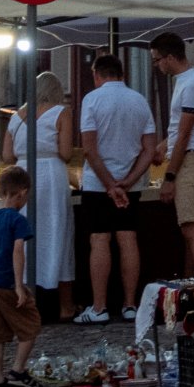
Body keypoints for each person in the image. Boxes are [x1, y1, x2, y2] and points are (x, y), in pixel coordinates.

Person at [75, 54, 156, 325]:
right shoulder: (139, 100)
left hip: (99, 183)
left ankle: (99, 307)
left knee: (99, 240)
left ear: (98, 75)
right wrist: (128, 182)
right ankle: (130, 304)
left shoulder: (92, 100)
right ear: (122, 74)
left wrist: (109, 185)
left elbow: (89, 147)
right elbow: (148, 149)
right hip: (130, 182)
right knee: (127, 239)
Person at [2, 72, 76, 320]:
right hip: (51, 175)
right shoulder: (61, 113)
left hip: (23, 174)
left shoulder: (16, 117)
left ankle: (24, 297)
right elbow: (65, 152)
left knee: (24, 236)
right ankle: (65, 305)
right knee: (58, 234)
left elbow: (6, 156)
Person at [0, 165, 43, 387]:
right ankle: (17, 370)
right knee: (30, 325)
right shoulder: (18, 221)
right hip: (5, 283)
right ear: (22, 193)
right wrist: (18, 286)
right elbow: (18, 251)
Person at [150, 31, 194, 277]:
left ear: (169, 57)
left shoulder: (193, 84)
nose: (156, 65)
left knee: (192, 227)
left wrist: (170, 176)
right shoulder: (186, 81)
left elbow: (186, 134)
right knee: (187, 226)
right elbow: (180, 130)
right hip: (186, 154)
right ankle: (191, 282)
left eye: (157, 60)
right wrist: (164, 146)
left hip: (190, 158)